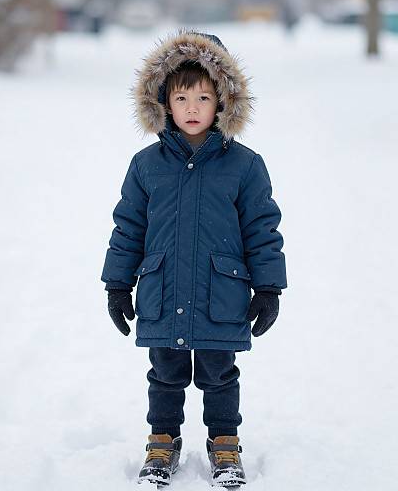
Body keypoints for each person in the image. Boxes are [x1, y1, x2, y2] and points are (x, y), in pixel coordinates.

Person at [101, 30, 287, 488]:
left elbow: (262, 229)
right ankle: (162, 440)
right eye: (181, 97)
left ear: (222, 101)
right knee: (164, 375)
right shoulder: (146, 165)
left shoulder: (244, 165)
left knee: (220, 375)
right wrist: (118, 284)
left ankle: (224, 442)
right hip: (162, 293)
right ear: (164, 101)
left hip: (219, 295)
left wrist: (267, 287)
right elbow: (129, 228)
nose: (191, 108)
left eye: (203, 97)